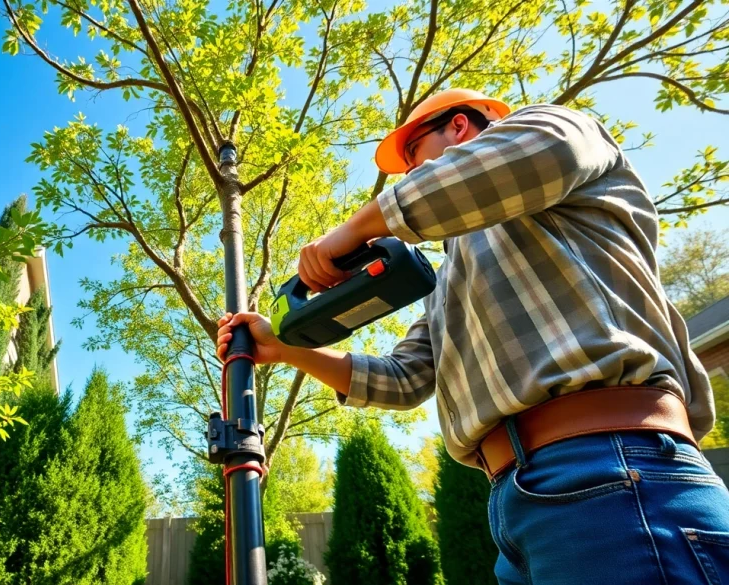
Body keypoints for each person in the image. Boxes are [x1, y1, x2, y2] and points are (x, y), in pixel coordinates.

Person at [214, 88, 729, 584]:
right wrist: (289, 349)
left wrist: (352, 233)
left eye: (416, 159)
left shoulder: (558, 128)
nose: (414, 176)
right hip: (517, 500)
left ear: (459, 125)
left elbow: (507, 166)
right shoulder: (453, 278)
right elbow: (404, 378)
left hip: (615, 465)